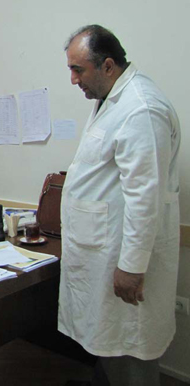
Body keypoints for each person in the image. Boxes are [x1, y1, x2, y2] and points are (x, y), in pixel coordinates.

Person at [60, 25, 181, 386]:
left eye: (78, 69)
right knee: (110, 344)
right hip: (101, 251)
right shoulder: (113, 100)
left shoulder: (141, 108)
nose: (73, 79)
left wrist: (131, 267)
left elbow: (145, 196)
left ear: (108, 66)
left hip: (120, 258)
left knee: (129, 347)